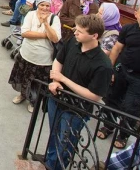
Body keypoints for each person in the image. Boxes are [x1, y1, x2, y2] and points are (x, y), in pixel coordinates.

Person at [46, 14, 112, 170]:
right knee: (54, 135)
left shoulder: (103, 65)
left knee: (66, 143)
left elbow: (94, 96)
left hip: (76, 109)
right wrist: (55, 82)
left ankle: (56, 166)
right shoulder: (73, 43)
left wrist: (63, 79)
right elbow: (58, 61)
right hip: (56, 99)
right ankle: (49, 162)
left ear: (94, 35)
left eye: (80, 31)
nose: (75, 32)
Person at [98, 4, 140, 149]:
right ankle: (108, 127)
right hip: (122, 71)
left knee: (131, 107)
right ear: (136, 14)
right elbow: (117, 48)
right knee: (112, 99)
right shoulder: (128, 29)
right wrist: (110, 69)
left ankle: (123, 135)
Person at [8, 0, 61, 113]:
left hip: (44, 59)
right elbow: (25, 33)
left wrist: (46, 24)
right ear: (38, 5)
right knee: (23, 77)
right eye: (42, 5)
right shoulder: (31, 15)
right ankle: (22, 95)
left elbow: (55, 38)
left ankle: (33, 101)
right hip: (27, 54)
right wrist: (45, 35)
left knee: (37, 83)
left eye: (48, 6)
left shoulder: (54, 19)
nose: (45, 8)